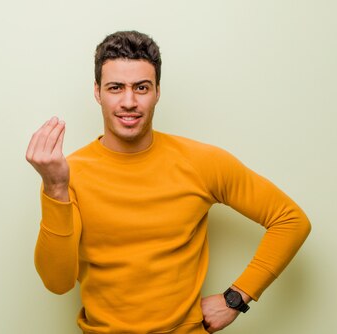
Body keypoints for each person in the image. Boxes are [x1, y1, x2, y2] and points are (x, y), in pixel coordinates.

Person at [25, 30, 311, 334]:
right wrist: (54, 189)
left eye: (142, 87)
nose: (129, 101)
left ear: (157, 91)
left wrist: (236, 298)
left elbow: (290, 220)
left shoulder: (202, 162)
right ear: (98, 92)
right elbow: (57, 283)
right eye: (115, 87)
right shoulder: (69, 174)